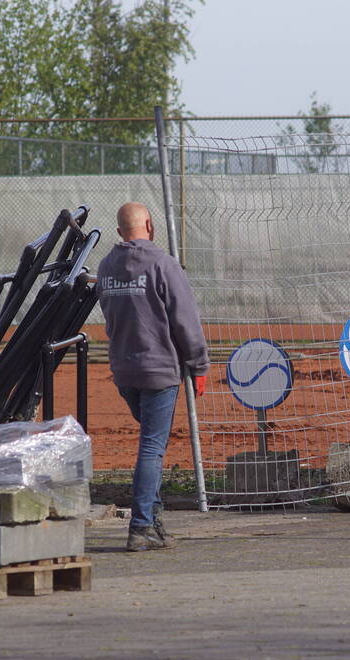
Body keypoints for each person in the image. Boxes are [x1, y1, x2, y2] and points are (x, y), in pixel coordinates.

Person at [96, 202, 209, 551]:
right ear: (150, 225)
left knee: (150, 442)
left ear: (119, 232)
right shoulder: (163, 264)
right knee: (151, 448)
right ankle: (141, 524)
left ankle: (154, 519)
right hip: (159, 370)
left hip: (124, 370)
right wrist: (200, 364)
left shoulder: (106, 266)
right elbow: (185, 320)